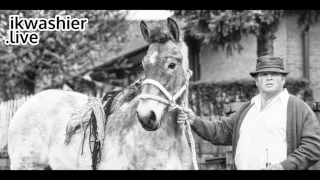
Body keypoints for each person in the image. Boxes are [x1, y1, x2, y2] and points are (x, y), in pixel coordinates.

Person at [178, 55, 320, 170]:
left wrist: (284, 166)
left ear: (283, 80)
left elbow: (313, 146)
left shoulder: (298, 108)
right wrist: (193, 120)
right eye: (264, 74)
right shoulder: (246, 110)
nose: (269, 77)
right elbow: (220, 131)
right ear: (257, 81)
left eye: (274, 74)